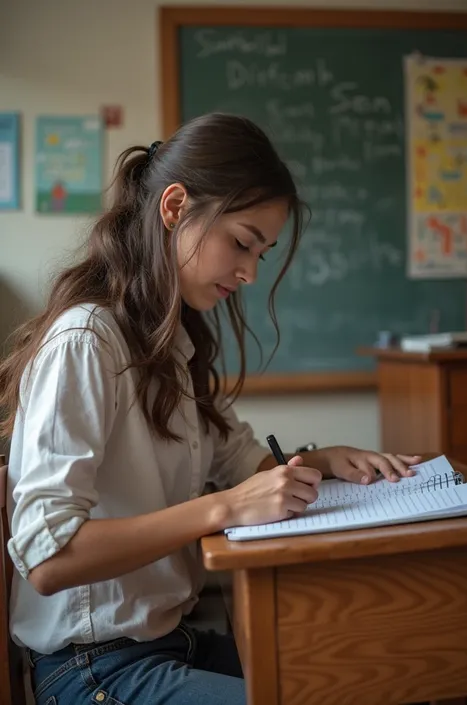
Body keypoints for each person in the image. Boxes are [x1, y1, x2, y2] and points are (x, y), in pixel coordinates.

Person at [0, 113, 420, 705]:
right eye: (243, 242)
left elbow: (244, 462)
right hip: (92, 669)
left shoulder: (174, 344)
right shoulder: (87, 341)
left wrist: (321, 461)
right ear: (174, 208)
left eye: (262, 254)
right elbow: (48, 556)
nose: (249, 272)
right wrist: (220, 507)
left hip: (170, 641)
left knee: (363, 671)